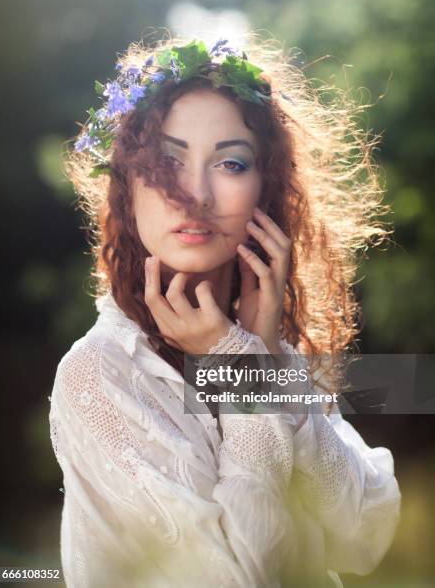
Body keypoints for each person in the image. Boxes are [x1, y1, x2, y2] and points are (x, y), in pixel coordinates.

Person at [48, 33, 401, 587]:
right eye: (167, 162)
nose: (196, 196)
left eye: (231, 164)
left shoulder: (267, 352)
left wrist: (260, 358)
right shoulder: (100, 374)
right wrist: (239, 368)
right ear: (127, 186)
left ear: (265, 188)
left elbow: (365, 536)